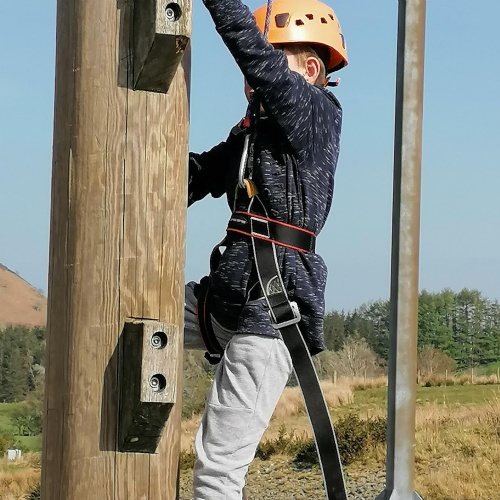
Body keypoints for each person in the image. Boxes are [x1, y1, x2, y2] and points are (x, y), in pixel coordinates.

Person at [184, 0, 348, 497]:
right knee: (126, 312)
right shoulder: (254, 135)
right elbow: (196, 175)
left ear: (311, 70)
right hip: (223, 298)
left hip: (271, 312)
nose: (253, 78)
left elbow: (253, 55)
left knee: (217, 471)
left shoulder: (315, 113)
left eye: (275, 60)